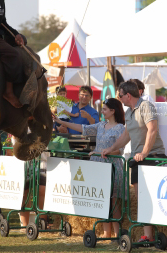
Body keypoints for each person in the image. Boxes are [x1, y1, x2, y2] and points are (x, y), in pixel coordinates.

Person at [102, 81, 167, 244]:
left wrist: (144, 152)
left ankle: (153, 233)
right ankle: (148, 235)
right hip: (139, 159)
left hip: (152, 156)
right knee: (141, 197)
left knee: (150, 196)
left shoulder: (146, 106)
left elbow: (152, 129)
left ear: (128, 95)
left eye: (120, 95)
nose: (119, 98)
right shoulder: (129, 112)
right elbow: (126, 136)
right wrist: (111, 148)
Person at [53, 98, 126, 239]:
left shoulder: (120, 128)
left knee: (114, 201)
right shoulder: (101, 125)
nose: (102, 111)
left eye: (105, 109)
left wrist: (103, 152)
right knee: (103, 199)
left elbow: (119, 150)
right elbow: (82, 129)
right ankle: (106, 233)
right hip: (98, 167)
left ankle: (117, 234)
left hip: (113, 167)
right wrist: (62, 122)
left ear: (113, 111)